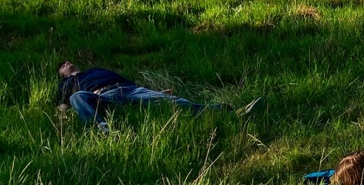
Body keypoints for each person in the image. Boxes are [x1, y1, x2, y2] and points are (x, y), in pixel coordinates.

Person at [56, 61, 260, 135]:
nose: (67, 64)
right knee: (77, 96)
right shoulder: (65, 85)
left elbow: (132, 84)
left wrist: (157, 92)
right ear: (62, 74)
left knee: (176, 102)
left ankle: (232, 113)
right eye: (62, 66)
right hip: (102, 97)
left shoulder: (95, 70)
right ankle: (103, 130)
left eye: (67, 62)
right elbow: (63, 105)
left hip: (128, 89)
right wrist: (62, 118)